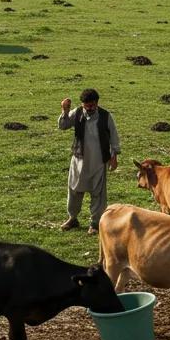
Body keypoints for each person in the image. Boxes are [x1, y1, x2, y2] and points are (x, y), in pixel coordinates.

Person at [57, 88, 120, 234]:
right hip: (79, 160)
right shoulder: (77, 112)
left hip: (98, 161)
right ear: (83, 104)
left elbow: (114, 137)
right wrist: (64, 111)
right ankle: (73, 218)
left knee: (98, 192)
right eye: (87, 106)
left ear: (96, 103)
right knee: (74, 189)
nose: (89, 108)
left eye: (92, 105)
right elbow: (63, 126)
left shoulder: (105, 116)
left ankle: (95, 223)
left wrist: (114, 156)